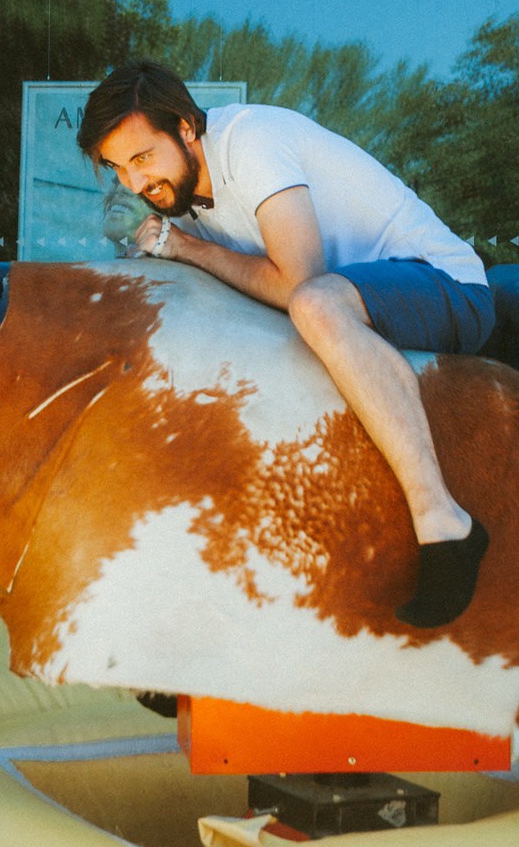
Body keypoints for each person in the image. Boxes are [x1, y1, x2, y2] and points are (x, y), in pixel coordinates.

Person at [77, 60, 497, 628]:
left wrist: (181, 249)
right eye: (118, 168)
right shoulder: (177, 194)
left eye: (142, 158)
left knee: (314, 304)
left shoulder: (251, 142)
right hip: (352, 310)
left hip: (447, 285)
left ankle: (445, 524)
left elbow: (301, 281)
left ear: (184, 128)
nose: (134, 182)